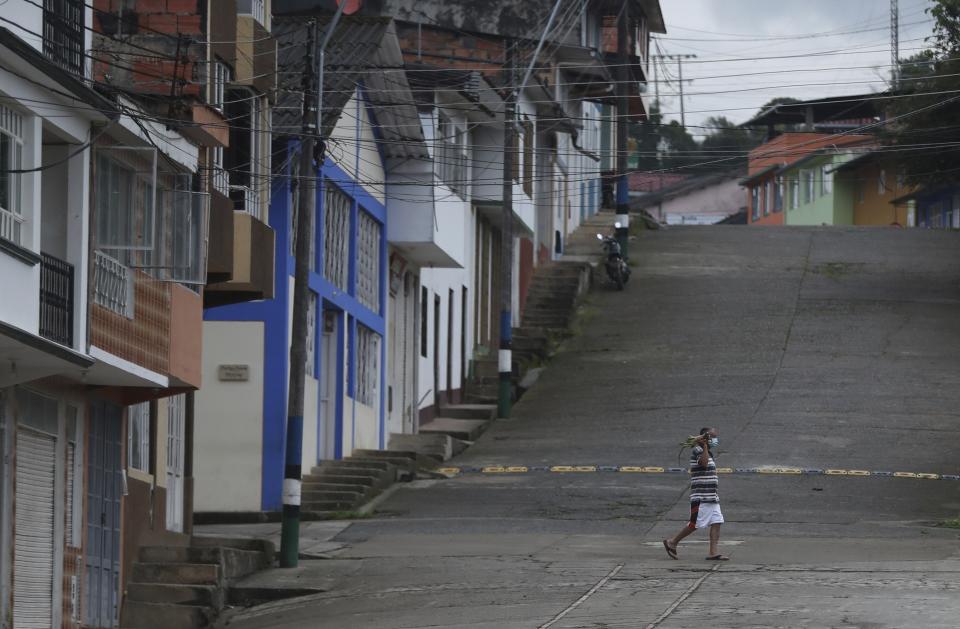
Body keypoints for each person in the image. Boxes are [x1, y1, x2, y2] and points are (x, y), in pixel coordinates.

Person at [662, 427, 729, 561]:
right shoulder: (698, 450)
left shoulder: (708, 453)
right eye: (712, 437)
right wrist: (704, 446)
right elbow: (703, 464)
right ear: (705, 438)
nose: (715, 440)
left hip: (712, 497)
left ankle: (713, 552)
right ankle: (672, 542)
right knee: (694, 524)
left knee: (717, 522)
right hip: (701, 496)